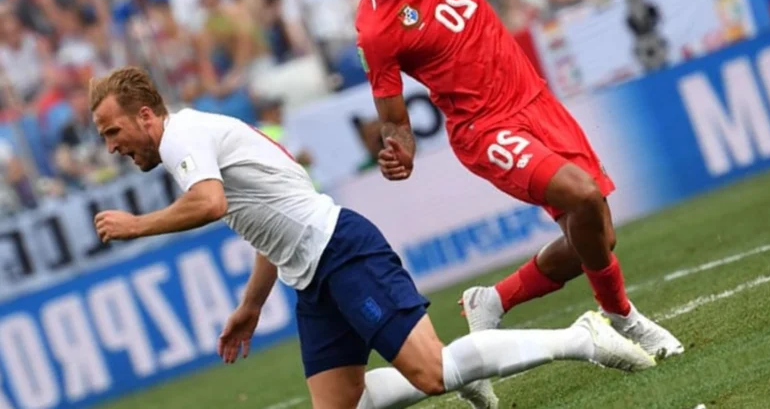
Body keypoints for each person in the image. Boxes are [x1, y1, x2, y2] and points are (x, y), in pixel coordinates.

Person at [88, 66, 655, 409]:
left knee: (431, 373)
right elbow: (266, 223)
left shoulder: (182, 136)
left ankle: (579, 337)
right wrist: (251, 305)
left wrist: (137, 225)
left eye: (113, 132)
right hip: (310, 274)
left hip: (339, 250)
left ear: (145, 115)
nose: (112, 146)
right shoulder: (188, 141)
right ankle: (469, 369)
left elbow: (210, 205)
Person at [346, 0, 682, 404]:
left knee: (597, 237)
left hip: (535, 99)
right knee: (584, 195)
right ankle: (625, 319)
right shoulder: (375, 28)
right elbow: (393, 120)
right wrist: (399, 149)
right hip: (485, 128)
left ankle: (492, 301)